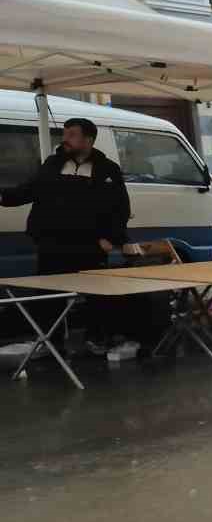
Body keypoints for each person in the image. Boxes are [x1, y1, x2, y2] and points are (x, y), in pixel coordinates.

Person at [0, 117, 131, 351]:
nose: (65, 139)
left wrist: (110, 238)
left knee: (95, 295)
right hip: (52, 243)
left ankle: (97, 338)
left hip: (89, 245)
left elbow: (120, 207)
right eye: (65, 133)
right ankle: (52, 343)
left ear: (88, 139)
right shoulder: (52, 164)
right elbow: (27, 190)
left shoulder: (107, 169)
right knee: (49, 296)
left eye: (72, 134)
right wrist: (3, 197)